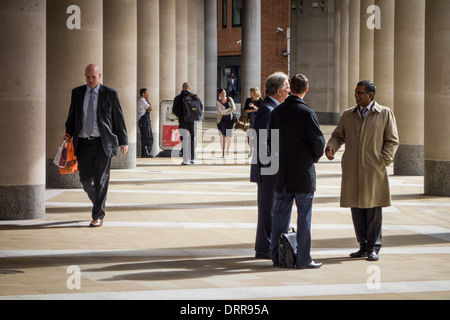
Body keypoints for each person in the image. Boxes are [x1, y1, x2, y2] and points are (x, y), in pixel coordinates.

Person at [326, 80, 399, 261]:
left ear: (370, 95)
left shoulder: (385, 114)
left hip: (374, 170)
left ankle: (374, 247)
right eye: (355, 92)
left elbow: (392, 140)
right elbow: (337, 135)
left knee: (373, 209)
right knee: (356, 208)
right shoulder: (348, 115)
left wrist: (383, 161)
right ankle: (363, 245)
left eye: (360, 93)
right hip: (353, 170)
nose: (356, 95)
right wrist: (331, 147)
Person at [270, 74, 325, 269]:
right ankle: (303, 259)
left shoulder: (277, 112)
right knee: (304, 218)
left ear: (290, 88)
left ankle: (277, 257)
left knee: (279, 218)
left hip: (282, 174)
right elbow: (318, 143)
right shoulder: (306, 112)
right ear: (306, 89)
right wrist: (313, 158)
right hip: (303, 174)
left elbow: (270, 142)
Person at [64, 64, 128, 228]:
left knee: (102, 180)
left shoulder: (110, 93)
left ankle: (98, 215)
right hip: (83, 143)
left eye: (94, 77)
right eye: (88, 77)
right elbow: (72, 116)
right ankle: (99, 202)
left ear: (99, 76)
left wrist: (123, 141)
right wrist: (68, 134)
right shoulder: (77, 93)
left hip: (102, 143)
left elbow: (118, 118)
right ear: (85, 76)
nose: (91, 80)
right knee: (85, 180)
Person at [250, 72, 290, 259]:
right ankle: (264, 247)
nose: (290, 90)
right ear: (280, 90)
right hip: (269, 168)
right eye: (287, 87)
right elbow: (260, 140)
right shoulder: (267, 109)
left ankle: (266, 246)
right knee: (268, 209)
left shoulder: (273, 107)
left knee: (271, 208)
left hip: (271, 167)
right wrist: (271, 165)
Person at [172, 82, 202, 165]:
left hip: (182, 122)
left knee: (184, 140)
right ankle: (192, 158)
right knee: (192, 139)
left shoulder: (178, 98)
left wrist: (181, 116)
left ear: (182, 88)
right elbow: (200, 107)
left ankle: (185, 160)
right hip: (192, 122)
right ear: (189, 88)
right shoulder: (194, 97)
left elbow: (174, 110)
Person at [216, 88, 236, 158]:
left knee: (229, 137)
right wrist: (228, 110)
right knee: (222, 137)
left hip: (229, 120)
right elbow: (220, 112)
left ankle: (228, 148)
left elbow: (233, 108)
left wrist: (225, 111)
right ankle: (223, 152)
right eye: (222, 93)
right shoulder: (217, 103)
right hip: (221, 121)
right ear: (219, 94)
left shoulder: (229, 99)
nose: (224, 94)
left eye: (224, 93)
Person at [244, 87, 262, 157]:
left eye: (251, 92)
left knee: (255, 137)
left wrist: (254, 107)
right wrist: (253, 110)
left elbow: (261, 110)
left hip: (257, 120)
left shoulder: (260, 100)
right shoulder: (248, 100)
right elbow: (245, 110)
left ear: (255, 93)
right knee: (249, 136)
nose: (250, 94)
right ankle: (251, 149)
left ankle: (255, 150)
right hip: (249, 120)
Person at [137, 88, 154, 158]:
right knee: (146, 137)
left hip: (146, 120)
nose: (148, 94)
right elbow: (151, 108)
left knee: (149, 137)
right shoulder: (142, 100)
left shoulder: (144, 101)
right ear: (143, 94)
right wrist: (148, 101)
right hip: (143, 120)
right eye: (146, 92)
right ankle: (145, 153)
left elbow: (149, 111)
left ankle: (146, 152)